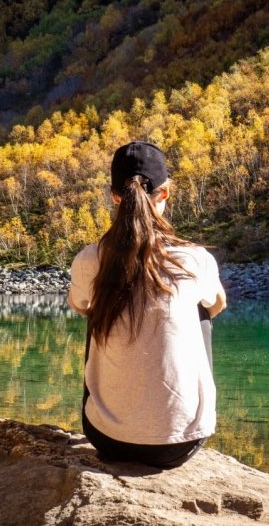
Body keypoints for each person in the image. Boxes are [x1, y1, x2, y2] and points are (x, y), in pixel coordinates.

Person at [68, 141, 227, 468]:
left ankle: (118, 409)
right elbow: (218, 306)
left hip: (106, 438)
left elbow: (79, 306)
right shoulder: (194, 260)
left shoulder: (89, 258)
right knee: (200, 311)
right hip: (178, 445)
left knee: (100, 304)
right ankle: (181, 414)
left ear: (114, 196)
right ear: (165, 194)